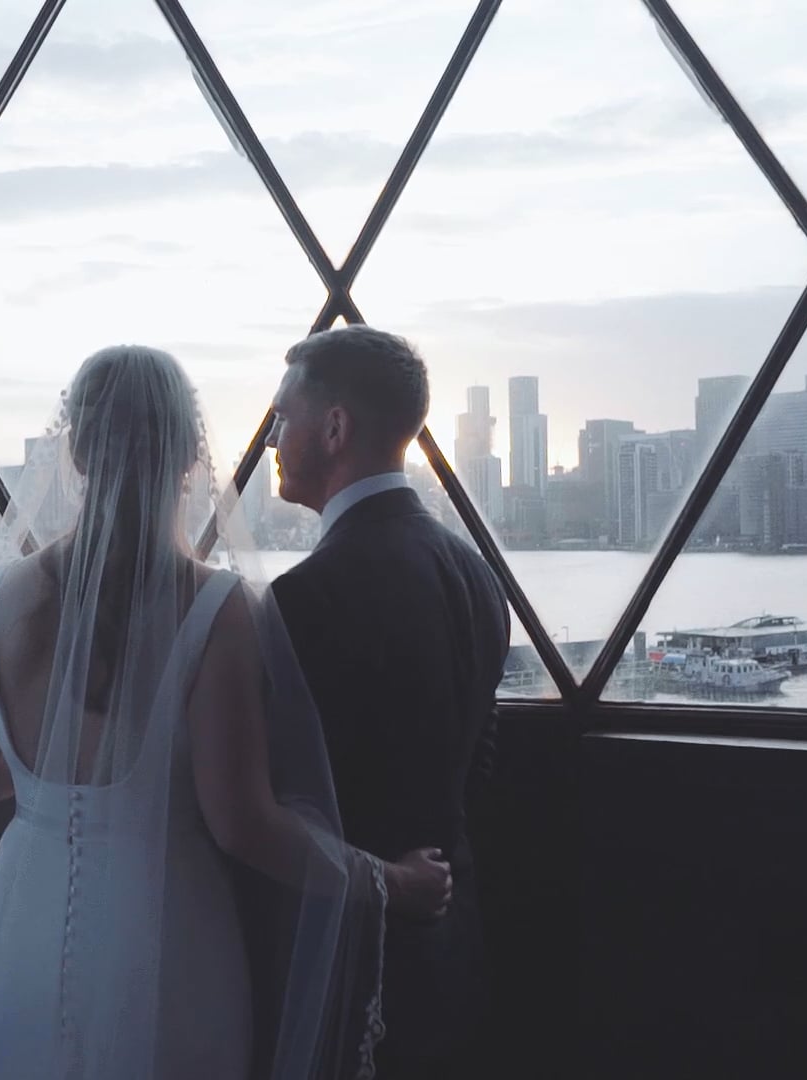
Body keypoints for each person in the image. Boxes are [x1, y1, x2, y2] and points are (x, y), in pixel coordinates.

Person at [0, 345, 453, 1079]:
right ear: (191, 457)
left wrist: (61, 794)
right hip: (163, 932)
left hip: (25, 924)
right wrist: (388, 882)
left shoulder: (0, 598)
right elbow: (244, 824)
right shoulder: (212, 606)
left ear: (73, 452)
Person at [267, 326, 509, 1079]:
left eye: (283, 416)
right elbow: (476, 758)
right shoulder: (477, 575)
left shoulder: (307, 597)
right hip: (457, 936)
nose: (273, 437)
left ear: (334, 427)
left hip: (354, 952)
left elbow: (289, 791)